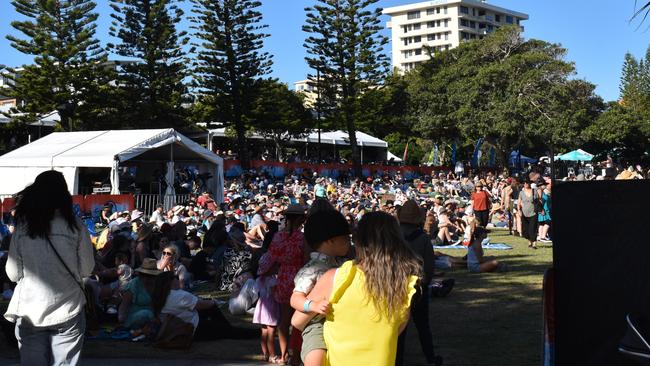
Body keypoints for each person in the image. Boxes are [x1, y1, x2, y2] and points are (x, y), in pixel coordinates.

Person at [293, 212, 421, 365]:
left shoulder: (337, 277)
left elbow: (297, 321)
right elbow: (396, 331)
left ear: (359, 241)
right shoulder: (407, 285)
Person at [4, 170, 95, 366]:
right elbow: (87, 269)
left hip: (30, 308)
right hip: (68, 308)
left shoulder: (23, 227)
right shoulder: (76, 226)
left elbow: (12, 274)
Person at [290, 210, 351, 366]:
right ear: (330, 240)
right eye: (345, 239)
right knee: (316, 357)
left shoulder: (342, 264)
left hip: (337, 321)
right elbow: (295, 298)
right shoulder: (311, 269)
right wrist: (313, 305)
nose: (349, 243)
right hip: (316, 324)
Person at [395, 200, 443, 366]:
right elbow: (429, 266)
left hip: (396, 287)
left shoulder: (393, 236)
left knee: (399, 330)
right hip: (418, 286)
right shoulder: (422, 238)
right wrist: (425, 283)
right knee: (423, 326)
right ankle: (430, 358)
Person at [266, 204, 307, 364]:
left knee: (284, 319)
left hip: (283, 275)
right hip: (299, 277)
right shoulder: (303, 238)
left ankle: (283, 355)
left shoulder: (278, 236)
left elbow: (272, 257)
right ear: (300, 219)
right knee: (298, 319)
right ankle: (296, 355)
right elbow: (305, 258)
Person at [517, 180, 539, 249]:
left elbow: (538, 200)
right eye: (525, 183)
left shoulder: (534, 191)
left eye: (528, 183)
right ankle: (529, 242)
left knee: (533, 228)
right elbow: (518, 203)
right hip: (524, 213)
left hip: (533, 212)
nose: (526, 184)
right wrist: (519, 210)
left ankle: (534, 244)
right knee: (526, 230)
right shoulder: (521, 193)